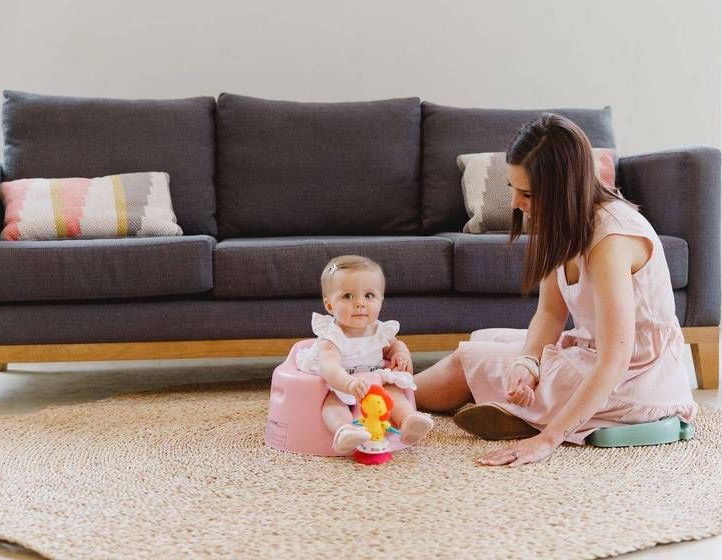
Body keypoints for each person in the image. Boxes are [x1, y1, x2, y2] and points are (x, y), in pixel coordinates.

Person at [413, 114, 697, 467]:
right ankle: (527, 408)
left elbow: (615, 359)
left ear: (565, 189)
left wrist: (547, 441)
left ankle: (389, 392)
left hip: (635, 383)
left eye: (527, 193)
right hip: (601, 357)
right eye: (513, 188)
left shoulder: (612, 239)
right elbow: (549, 313)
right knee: (490, 339)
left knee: (466, 359)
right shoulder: (563, 223)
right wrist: (528, 363)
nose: (516, 202)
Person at [297, 255, 434, 453]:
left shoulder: (379, 330)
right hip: (342, 384)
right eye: (347, 296)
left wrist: (402, 354)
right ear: (329, 305)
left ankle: (408, 421)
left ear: (381, 300)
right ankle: (345, 431)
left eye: (369, 295)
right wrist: (348, 384)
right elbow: (330, 367)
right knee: (332, 404)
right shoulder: (332, 337)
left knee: (394, 393)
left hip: (375, 383)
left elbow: (395, 346)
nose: (360, 303)